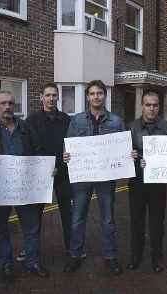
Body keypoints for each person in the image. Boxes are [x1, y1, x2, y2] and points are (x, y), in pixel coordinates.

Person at [0, 91, 49, 284]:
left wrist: (46, 168)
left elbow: (39, 150)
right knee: (0, 229)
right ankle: (5, 263)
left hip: (25, 187)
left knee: (31, 227)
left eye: (11, 103)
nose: (7, 107)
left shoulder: (26, 127)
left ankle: (32, 262)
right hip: (0, 188)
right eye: (3, 103)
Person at [62, 80, 125, 275]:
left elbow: (122, 147)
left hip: (106, 178)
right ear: (87, 97)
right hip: (83, 177)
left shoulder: (116, 121)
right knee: (78, 217)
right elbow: (69, 144)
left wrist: (128, 155)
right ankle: (75, 255)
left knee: (107, 219)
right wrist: (66, 155)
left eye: (99, 93)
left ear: (105, 96)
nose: (96, 96)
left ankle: (110, 256)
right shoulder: (77, 120)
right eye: (92, 93)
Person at [128, 91, 167, 273]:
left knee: (157, 223)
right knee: (136, 222)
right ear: (142, 106)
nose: (152, 108)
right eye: (148, 105)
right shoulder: (131, 127)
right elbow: (122, 154)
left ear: (159, 107)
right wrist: (131, 156)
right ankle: (136, 256)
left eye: (155, 105)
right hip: (137, 181)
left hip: (158, 183)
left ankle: (157, 257)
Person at [25, 82, 73, 255]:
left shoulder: (67, 120)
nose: (51, 98)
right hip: (40, 174)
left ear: (58, 97)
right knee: (35, 214)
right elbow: (27, 146)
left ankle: (71, 247)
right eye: (48, 95)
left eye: (54, 95)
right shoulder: (31, 120)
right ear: (41, 97)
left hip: (63, 173)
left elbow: (72, 145)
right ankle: (30, 250)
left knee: (68, 213)